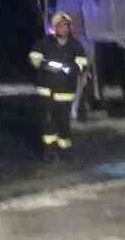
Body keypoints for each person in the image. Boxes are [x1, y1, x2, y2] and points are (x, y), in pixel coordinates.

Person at [28, 12, 89, 160]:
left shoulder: (75, 45)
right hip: (46, 90)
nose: (64, 28)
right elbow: (34, 58)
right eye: (60, 26)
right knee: (47, 121)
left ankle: (65, 150)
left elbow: (82, 63)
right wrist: (48, 65)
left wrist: (71, 68)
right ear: (55, 28)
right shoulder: (44, 42)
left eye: (66, 26)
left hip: (65, 91)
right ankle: (49, 150)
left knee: (63, 122)